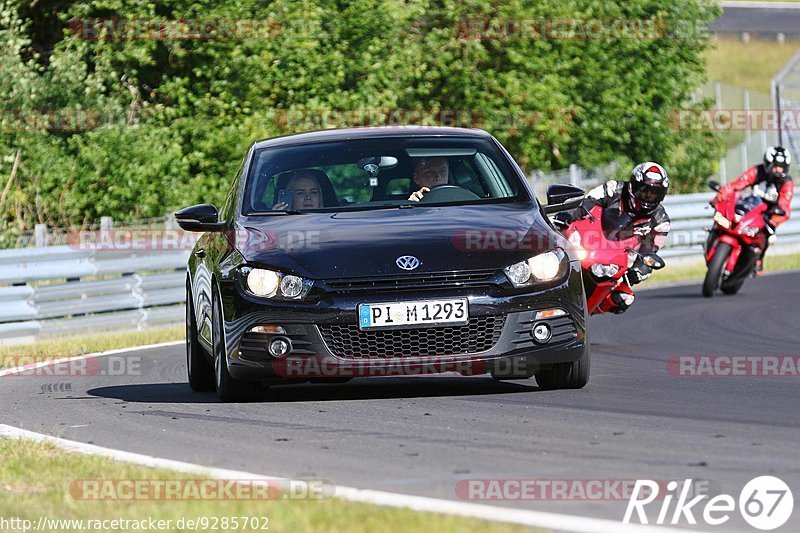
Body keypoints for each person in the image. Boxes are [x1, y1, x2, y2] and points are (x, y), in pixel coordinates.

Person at [554, 162, 671, 313]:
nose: (648, 197)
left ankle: (593, 310)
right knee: (554, 240)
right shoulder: (612, 189)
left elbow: (651, 250)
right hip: (590, 241)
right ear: (633, 186)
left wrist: (639, 270)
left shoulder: (661, 222)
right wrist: (569, 216)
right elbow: (586, 203)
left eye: (654, 193)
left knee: (623, 298)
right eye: (644, 191)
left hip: (617, 261)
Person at [715, 146, 794, 274]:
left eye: (782, 166)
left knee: (768, 234)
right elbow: (739, 183)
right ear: (768, 163)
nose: (779, 169)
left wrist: (775, 218)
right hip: (751, 203)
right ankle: (715, 236)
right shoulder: (757, 171)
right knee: (728, 214)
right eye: (776, 166)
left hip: (769, 212)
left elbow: (785, 204)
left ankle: (758, 259)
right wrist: (725, 192)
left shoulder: (786, 182)